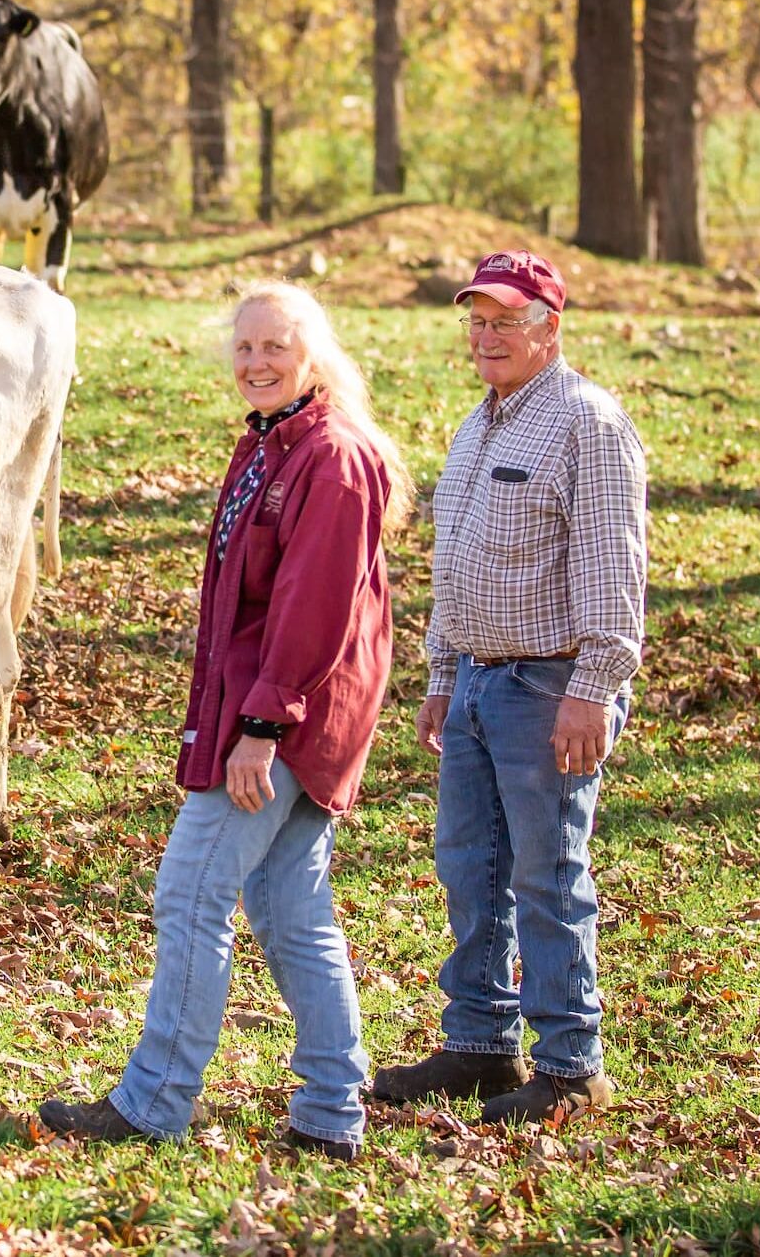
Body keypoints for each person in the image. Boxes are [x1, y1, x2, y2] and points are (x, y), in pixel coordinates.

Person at [38, 282, 412, 1159]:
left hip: (286, 719)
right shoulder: (268, 445)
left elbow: (312, 609)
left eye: (275, 347)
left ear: (312, 354)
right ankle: (331, 1111)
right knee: (289, 909)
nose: (256, 363)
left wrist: (264, 726)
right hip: (264, 710)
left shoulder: (333, 457)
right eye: (244, 348)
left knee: (191, 892)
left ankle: (155, 1101)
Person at [372, 250, 646, 1125]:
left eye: (507, 322)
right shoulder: (477, 423)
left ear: (548, 328)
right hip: (478, 685)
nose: (488, 337)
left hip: (548, 685)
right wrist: (442, 678)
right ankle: (481, 1043)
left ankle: (572, 1064)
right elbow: (452, 566)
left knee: (548, 875)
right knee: (470, 870)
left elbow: (613, 568)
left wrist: (593, 687)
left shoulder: (585, 424)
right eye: (478, 322)